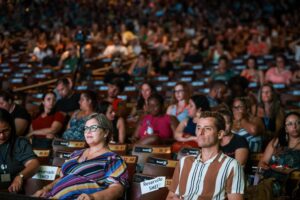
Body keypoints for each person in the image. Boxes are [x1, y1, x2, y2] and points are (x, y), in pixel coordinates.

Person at [33, 113, 128, 199]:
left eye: (93, 128)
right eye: (86, 128)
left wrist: (93, 197)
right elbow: (63, 178)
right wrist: (46, 189)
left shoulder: (113, 159)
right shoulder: (76, 154)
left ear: (106, 132)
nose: (88, 132)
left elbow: (117, 190)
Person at [167, 111, 245, 199]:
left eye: (207, 128)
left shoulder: (231, 165)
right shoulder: (184, 161)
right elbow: (170, 197)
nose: (201, 133)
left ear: (220, 134)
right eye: (199, 128)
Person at [258, 112, 300, 197]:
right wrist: (262, 169)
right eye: (290, 124)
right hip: (268, 180)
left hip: (291, 183)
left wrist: (276, 168)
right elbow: (262, 163)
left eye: (298, 123)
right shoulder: (277, 141)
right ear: (286, 129)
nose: (294, 126)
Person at [0, 108, 39, 193]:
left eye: (6, 130)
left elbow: (34, 164)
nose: (2, 136)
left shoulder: (19, 143)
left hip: (12, 192)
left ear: (11, 127)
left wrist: (20, 176)